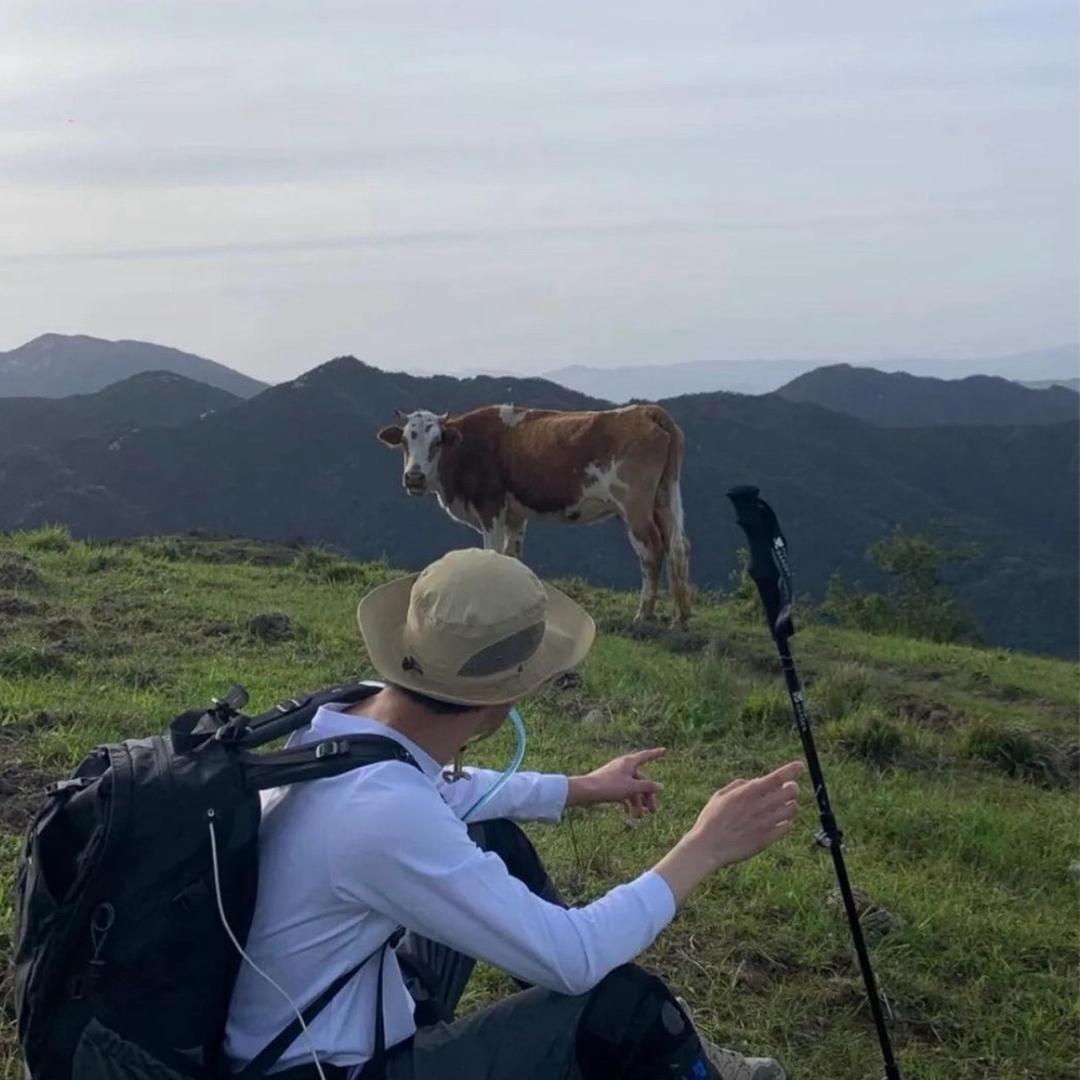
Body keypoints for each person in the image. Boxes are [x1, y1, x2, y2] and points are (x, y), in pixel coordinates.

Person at [225, 548, 802, 1080]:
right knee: (621, 1005)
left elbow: (452, 792)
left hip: (334, 1004)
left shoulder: (346, 714)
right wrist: (705, 845)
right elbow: (573, 958)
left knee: (488, 834)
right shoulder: (381, 815)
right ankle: (660, 1045)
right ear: (504, 697)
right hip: (324, 1066)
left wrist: (580, 787)